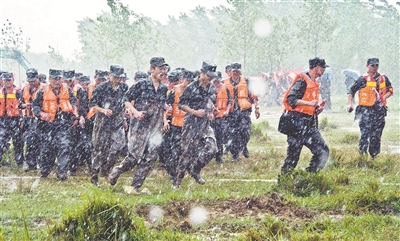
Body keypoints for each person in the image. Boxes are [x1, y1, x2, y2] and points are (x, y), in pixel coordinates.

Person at [108, 57, 169, 194]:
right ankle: (117, 170)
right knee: (135, 156)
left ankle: (135, 186)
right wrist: (135, 112)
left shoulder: (164, 88)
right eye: (160, 68)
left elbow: (161, 105)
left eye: (164, 68)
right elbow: (126, 99)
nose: (163, 71)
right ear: (152, 69)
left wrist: (165, 116)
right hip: (140, 125)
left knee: (149, 157)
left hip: (155, 127)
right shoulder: (141, 84)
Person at [173, 61, 219, 189]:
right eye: (208, 75)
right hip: (191, 124)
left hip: (205, 123)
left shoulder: (211, 87)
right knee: (187, 152)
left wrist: (213, 109)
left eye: (212, 76)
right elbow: (181, 104)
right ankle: (177, 181)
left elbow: (210, 100)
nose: (211, 78)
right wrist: (194, 112)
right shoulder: (191, 87)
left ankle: (195, 170)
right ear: (202, 73)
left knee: (212, 148)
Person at [280, 57, 330, 175]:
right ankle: (283, 181)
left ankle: (310, 176)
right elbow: (291, 99)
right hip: (295, 123)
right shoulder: (302, 81)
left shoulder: (314, 83)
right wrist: (309, 103)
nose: (324, 71)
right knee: (293, 156)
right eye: (323, 68)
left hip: (308, 124)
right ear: (317, 68)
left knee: (323, 151)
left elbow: (307, 105)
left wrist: (316, 109)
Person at [32, 69, 80, 180]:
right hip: (46, 125)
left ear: (62, 79)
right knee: (47, 148)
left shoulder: (67, 89)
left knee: (64, 146)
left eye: (59, 78)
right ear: (50, 79)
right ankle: (45, 171)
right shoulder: (43, 90)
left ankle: (62, 172)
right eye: (54, 78)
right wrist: (42, 114)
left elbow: (74, 102)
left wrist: (76, 114)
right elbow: (35, 106)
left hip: (63, 123)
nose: (57, 81)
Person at [89, 65, 128, 186]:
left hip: (117, 121)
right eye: (115, 76)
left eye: (119, 77)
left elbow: (125, 102)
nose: (117, 79)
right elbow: (92, 105)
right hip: (102, 121)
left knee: (118, 146)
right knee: (99, 149)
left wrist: (126, 113)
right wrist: (103, 110)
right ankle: (94, 175)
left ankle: (107, 169)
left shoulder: (124, 88)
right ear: (109, 74)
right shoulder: (101, 87)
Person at [347, 58, 393, 159]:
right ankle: (362, 156)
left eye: (376, 65)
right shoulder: (362, 79)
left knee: (376, 136)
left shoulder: (383, 78)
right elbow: (351, 91)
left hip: (379, 110)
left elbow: (390, 90)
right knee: (365, 134)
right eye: (372, 65)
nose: (374, 68)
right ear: (367, 66)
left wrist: (383, 98)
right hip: (365, 111)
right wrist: (350, 104)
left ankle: (374, 156)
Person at [224, 62, 260, 162]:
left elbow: (253, 95)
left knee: (245, 132)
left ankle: (244, 146)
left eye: (237, 71)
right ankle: (235, 155)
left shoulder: (246, 81)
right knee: (232, 133)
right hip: (230, 112)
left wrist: (257, 108)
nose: (235, 73)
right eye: (233, 71)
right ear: (230, 72)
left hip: (243, 111)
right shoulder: (224, 82)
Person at [0, 72, 25, 168]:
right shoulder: (0, 91)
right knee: (1, 141)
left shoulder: (18, 91)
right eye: (5, 80)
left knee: (18, 142)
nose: (7, 82)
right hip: (2, 120)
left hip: (15, 120)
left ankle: (20, 163)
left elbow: (23, 106)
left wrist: (21, 119)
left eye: (9, 80)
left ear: (13, 80)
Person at [21, 68, 42, 171]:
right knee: (30, 142)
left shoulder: (44, 89)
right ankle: (31, 163)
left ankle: (42, 163)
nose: (32, 83)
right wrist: (24, 105)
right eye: (30, 81)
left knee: (42, 142)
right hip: (29, 118)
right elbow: (19, 103)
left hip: (42, 120)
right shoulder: (25, 88)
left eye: (33, 80)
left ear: (38, 78)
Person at [211, 71, 232, 163]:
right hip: (211, 117)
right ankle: (210, 154)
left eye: (217, 81)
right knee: (211, 136)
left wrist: (227, 111)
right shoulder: (208, 88)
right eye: (214, 80)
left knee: (220, 137)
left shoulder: (225, 88)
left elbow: (230, 101)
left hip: (222, 116)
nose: (216, 82)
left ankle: (219, 157)